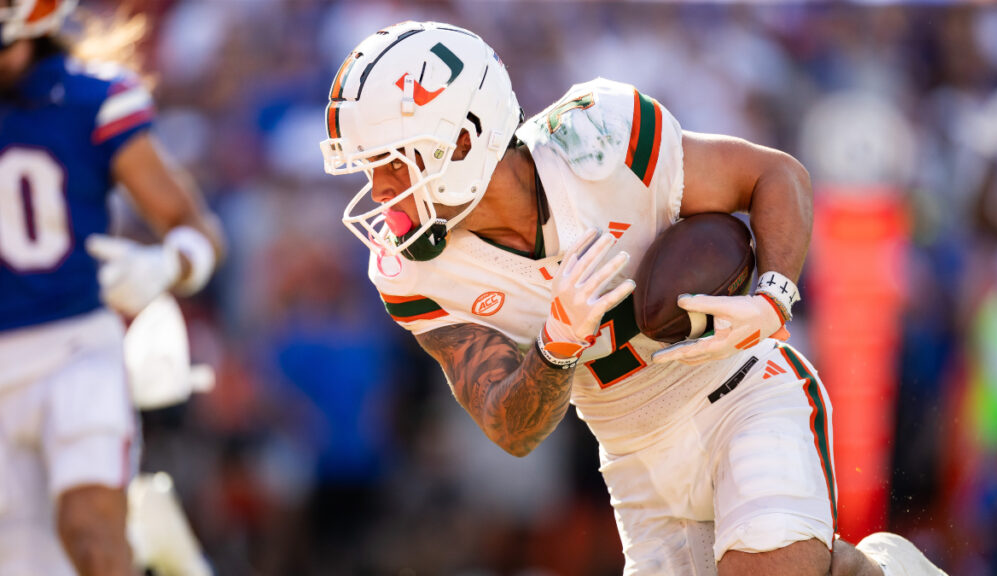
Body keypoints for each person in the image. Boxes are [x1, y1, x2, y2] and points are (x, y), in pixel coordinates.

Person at [320, 20, 944, 576]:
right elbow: (510, 427)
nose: (378, 190)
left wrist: (772, 298)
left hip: (739, 395)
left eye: (393, 163)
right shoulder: (414, 271)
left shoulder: (597, 138)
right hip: (633, 455)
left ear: (460, 142)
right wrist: (556, 345)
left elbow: (775, 174)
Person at [0, 1, 223, 575]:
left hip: (73, 349)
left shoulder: (88, 98)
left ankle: (139, 538)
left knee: (91, 535)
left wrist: (166, 267)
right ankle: (153, 541)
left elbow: (196, 230)